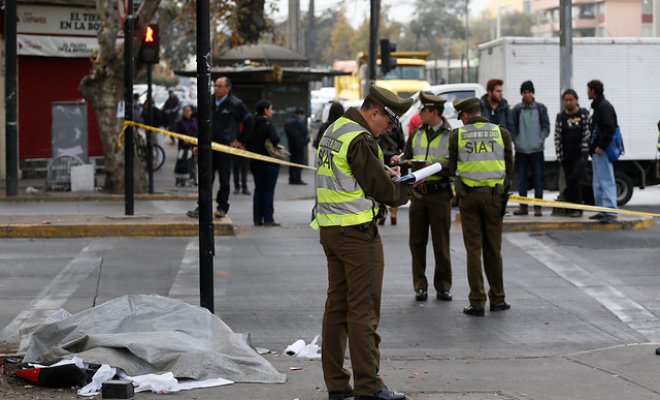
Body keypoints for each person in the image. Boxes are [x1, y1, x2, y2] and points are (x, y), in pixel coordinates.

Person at [312, 85, 413, 400]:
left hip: (331, 229)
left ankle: (337, 384)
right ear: (375, 112)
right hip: (357, 234)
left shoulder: (337, 128)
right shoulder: (360, 139)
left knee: (337, 308)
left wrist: (384, 173)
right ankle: (370, 387)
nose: (389, 129)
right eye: (389, 121)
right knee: (363, 311)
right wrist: (409, 187)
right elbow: (383, 191)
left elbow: (353, 176)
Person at [448, 97, 513, 317]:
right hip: (494, 197)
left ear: (465, 115)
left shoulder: (458, 135)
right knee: (494, 249)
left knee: (473, 250)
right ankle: (498, 298)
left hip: (469, 198)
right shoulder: (500, 133)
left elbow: (452, 167)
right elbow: (509, 167)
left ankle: (477, 302)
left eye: (461, 118)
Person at [391, 92, 453, 302]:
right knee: (417, 242)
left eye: (423, 110)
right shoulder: (417, 133)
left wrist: (435, 167)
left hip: (439, 195)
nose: (420, 113)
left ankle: (443, 286)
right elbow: (406, 159)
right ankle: (420, 285)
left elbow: (454, 165)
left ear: (433, 112)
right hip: (418, 195)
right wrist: (401, 161)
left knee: (441, 243)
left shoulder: (450, 135)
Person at [187, 76, 254, 219]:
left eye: (219, 86)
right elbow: (200, 125)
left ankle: (222, 207)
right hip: (207, 148)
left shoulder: (236, 104)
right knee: (205, 179)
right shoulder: (208, 101)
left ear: (227, 88)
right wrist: (197, 143)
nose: (216, 88)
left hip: (225, 149)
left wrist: (240, 141)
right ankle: (202, 207)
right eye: (215, 86)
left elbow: (249, 122)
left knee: (224, 180)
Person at [510, 80, 550, 216]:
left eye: (529, 92)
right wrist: (516, 142)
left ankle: (538, 207)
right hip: (521, 151)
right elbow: (512, 128)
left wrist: (540, 140)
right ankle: (523, 207)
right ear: (521, 94)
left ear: (533, 93)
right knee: (521, 180)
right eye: (524, 92)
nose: (527, 95)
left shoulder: (541, 108)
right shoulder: (516, 110)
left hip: (537, 150)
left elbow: (546, 127)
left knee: (539, 179)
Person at [554, 89, 590, 217]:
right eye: (566, 100)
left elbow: (587, 134)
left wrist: (585, 153)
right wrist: (559, 155)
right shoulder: (561, 117)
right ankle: (570, 208)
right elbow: (557, 137)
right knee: (569, 182)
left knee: (576, 181)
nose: (568, 102)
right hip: (566, 156)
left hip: (580, 155)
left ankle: (578, 208)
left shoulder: (583, 114)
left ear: (576, 100)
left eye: (571, 100)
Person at [587, 79, 619, 224]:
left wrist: (601, 146)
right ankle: (602, 210)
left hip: (602, 151)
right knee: (598, 181)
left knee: (606, 180)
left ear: (593, 91)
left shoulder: (604, 107)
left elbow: (609, 127)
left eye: (588, 90)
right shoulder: (598, 106)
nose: (587, 92)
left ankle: (610, 210)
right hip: (597, 150)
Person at [247, 100, 281, 227]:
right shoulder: (267, 124)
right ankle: (268, 219)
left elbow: (247, 141)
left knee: (258, 190)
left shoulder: (251, 123)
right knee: (268, 191)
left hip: (255, 162)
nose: (271, 111)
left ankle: (257, 219)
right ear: (265, 110)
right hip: (268, 162)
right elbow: (276, 139)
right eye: (271, 109)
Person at [376, 119, 405, 226]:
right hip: (394, 156)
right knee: (394, 184)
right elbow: (401, 142)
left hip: (381, 155)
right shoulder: (397, 123)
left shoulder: (378, 123)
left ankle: (382, 212)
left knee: (381, 184)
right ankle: (393, 213)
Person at [174, 104, 198, 187]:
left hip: (193, 145)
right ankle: (180, 180)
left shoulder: (194, 121)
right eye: (186, 111)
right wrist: (183, 139)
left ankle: (193, 179)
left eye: (189, 111)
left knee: (192, 163)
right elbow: (176, 132)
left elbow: (197, 132)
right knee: (182, 162)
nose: (187, 112)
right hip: (183, 146)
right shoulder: (179, 122)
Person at [285, 108, 309, 185]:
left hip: (291, 145)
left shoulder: (288, 121)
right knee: (299, 162)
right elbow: (305, 131)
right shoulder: (299, 122)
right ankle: (297, 179)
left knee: (292, 162)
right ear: (299, 114)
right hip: (299, 146)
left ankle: (291, 179)